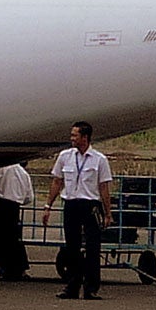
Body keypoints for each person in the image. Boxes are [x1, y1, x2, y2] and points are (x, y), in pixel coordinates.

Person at [42, 120, 113, 300]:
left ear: (85, 137)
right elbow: (57, 182)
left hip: (91, 206)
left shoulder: (99, 160)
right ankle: (72, 286)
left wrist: (107, 213)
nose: (72, 138)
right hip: (71, 204)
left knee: (93, 247)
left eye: (75, 135)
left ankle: (91, 287)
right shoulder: (65, 156)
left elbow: (104, 187)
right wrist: (48, 205)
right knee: (71, 246)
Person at [0, 161, 34, 280]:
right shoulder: (23, 173)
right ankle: (17, 268)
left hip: (0, 204)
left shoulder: (0, 166)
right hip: (15, 206)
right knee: (14, 237)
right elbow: (29, 198)